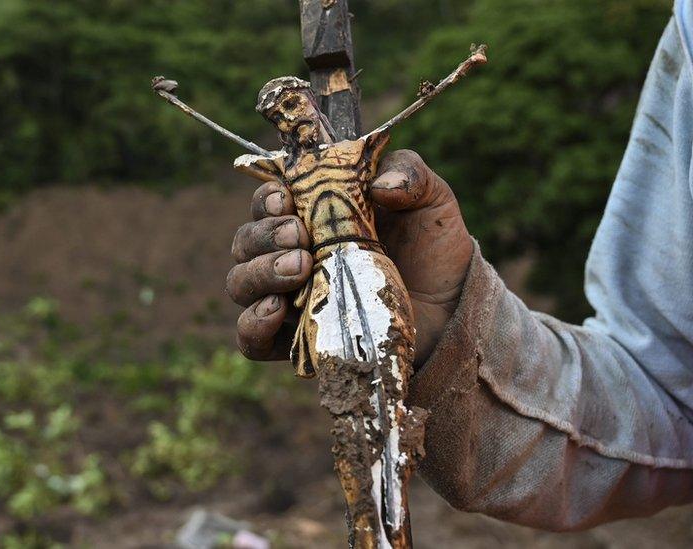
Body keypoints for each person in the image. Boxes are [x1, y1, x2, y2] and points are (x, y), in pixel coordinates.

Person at [226, 3, 693, 531]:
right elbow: (665, 389)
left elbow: (402, 118)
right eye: (280, 115)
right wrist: (451, 334)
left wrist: (458, 72)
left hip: (367, 265)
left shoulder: (354, 152)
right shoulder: (691, 35)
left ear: (312, 103)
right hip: (334, 278)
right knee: (358, 418)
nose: (294, 119)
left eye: (296, 106)